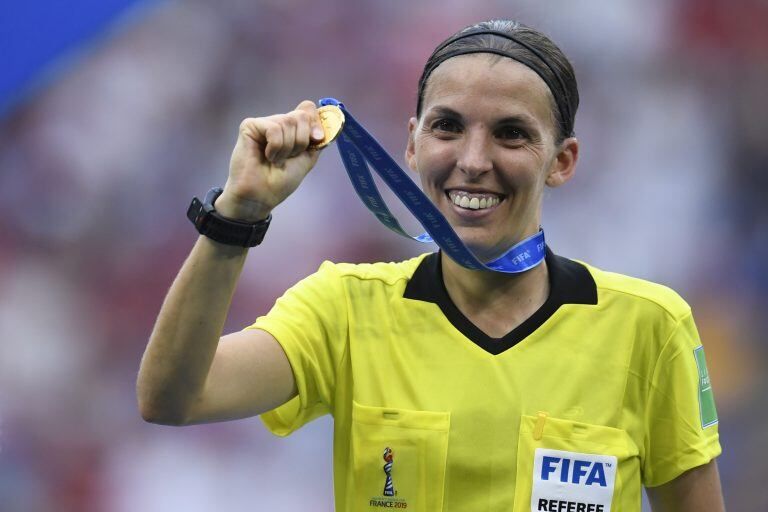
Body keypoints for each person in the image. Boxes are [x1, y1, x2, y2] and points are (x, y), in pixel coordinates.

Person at [137, 19, 725, 512]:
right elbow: (172, 398)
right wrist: (238, 213)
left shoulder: (650, 327)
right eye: (448, 127)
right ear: (413, 144)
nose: (473, 160)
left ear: (562, 160)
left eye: (511, 134)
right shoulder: (344, 309)